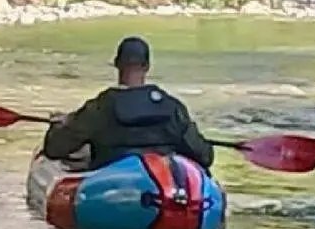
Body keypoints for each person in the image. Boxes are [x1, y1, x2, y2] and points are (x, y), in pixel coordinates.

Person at [40, 36, 215, 172]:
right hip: (162, 186)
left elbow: (54, 149)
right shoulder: (172, 108)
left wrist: (60, 125)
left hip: (113, 184)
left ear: (117, 64)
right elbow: (205, 155)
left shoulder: (100, 107)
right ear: (147, 66)